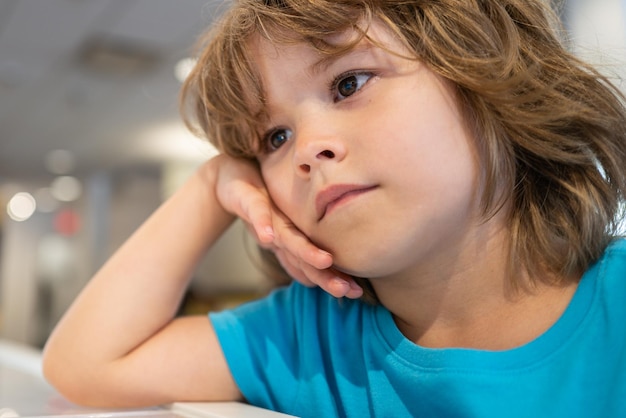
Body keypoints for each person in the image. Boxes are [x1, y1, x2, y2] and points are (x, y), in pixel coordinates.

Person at [42, 0, 626, 416]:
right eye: (273, 138)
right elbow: (84, 365)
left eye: (348, 84)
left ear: (484, 73)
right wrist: (212, 183)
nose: (307, 151)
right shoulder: (309, 338)